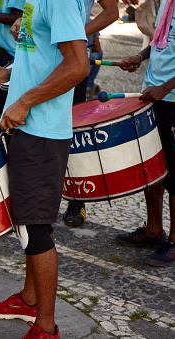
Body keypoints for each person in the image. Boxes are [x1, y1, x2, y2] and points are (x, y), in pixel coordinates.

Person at [0, 0, 89, 337]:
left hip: (42, 129)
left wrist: (25, 101)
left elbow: (78, 66)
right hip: (28, 125)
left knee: (36, 226)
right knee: (27, 219)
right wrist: (9, 74)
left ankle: (45, 325)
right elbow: (41, 57)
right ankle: (28, 300)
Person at [115, 0, 175, 267]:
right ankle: (153, 229)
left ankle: (174, 241)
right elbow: (160, 40)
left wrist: (165, 88)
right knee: (153, 165)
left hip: (171, 96)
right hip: (154, 91)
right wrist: (140, 57)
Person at [63, 0, 119, 227]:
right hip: (41, 58)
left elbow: (112, 12)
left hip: (74, 57)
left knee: (73, 130)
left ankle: (78, 201)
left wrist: (78, 33)